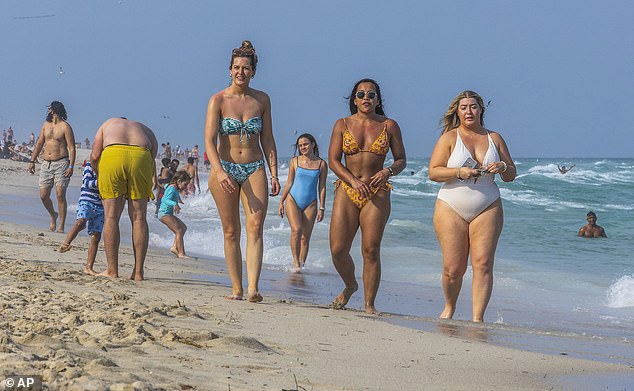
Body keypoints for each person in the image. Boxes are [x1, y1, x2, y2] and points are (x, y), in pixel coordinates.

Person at [428, 90, 516, 322]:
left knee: (483, 264)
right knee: (453, 268)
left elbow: (511, 174)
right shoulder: (449, 138)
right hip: (451, 206)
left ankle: (478, 318)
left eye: (473, 106)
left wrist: (503, 168)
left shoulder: (494, 138)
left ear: (481, 110)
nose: (469, 111)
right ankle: (449, 307)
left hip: (488, 205)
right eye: (464, 107)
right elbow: (433, 172)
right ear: (457, 111)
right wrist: (459, 172)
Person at [204, 40, 280, 302]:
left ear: (253, 71)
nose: (241, 72)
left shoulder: (262, 100)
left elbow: (268, 139)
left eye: (246, 68)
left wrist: (274, 173)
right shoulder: (218, 100)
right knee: (230, 230)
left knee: (256, 226)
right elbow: (209, 140)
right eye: (236, 67)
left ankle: (253, 288)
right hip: (224, 167)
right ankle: (236, 288)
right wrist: (220, 171)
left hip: (254, 166)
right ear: (229, 70)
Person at [328, 78, 406, 314]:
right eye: (361, 95)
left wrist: (388, 170)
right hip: (348, 189)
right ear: (354, 99)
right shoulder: (342, 124)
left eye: (371, 95)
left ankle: (369, 305)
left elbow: (401, 159)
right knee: (338, 250)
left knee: (371, 249)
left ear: (378, 99)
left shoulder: (389, 125)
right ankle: (351, 285)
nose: (366, 99)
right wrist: (351, 180)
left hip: (377, 191)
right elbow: (333, 161)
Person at [90, 117, 158, 281]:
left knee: (111, 216)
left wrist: (99, 174)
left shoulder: (107, 124)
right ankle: (139, 272)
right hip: (141, 155)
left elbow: (94, 155)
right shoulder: (144, 127)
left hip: (113, 155)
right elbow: (152, 155)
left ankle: (112, 270)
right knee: (139, 216)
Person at [278, 133, 328, 272]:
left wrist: (322, 208)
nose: (303, 147)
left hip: (311, 203)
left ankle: (302, 265)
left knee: (306, 237)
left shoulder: (322, 164)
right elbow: (289, 183)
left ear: (313, 144)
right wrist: (281, 201)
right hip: (293, 199)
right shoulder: (295, 161)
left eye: (305, 144)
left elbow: (322, 187)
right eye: (300, 145)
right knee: (297, 230)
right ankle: (295, 264)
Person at [27, 101, 77, 233]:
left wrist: (71, 166)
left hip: (62, 163)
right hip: (46, 163)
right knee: (43, 195)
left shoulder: (65, 127)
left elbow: (72, 148)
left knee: (60, 195)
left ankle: (61, 225)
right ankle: (53, 215)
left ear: (55, 110)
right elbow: (39, 143)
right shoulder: (46, 125)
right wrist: (32, 160)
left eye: (50, 108)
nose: (48, 110)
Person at [59, 161, 104, 275]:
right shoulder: (89, 166)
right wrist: (104, 182)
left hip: (101, 205)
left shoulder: (107, 167)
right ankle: (66, 243)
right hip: (86, 201)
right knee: (80, 222)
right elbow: (87, 183)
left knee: (96, 236)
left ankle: (89, 267)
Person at [159, 170, 192, 258]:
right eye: (185, 184)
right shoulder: (172, 188)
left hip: (167, 213)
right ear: (178, 181)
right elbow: (164, 200)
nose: (185, 187)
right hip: (164, 213)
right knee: (179, 230)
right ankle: (181, 253)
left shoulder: (173, 188)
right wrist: (175, 203)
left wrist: (178, 200)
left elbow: (166, 187)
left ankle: (174, 247)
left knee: (183, 228)